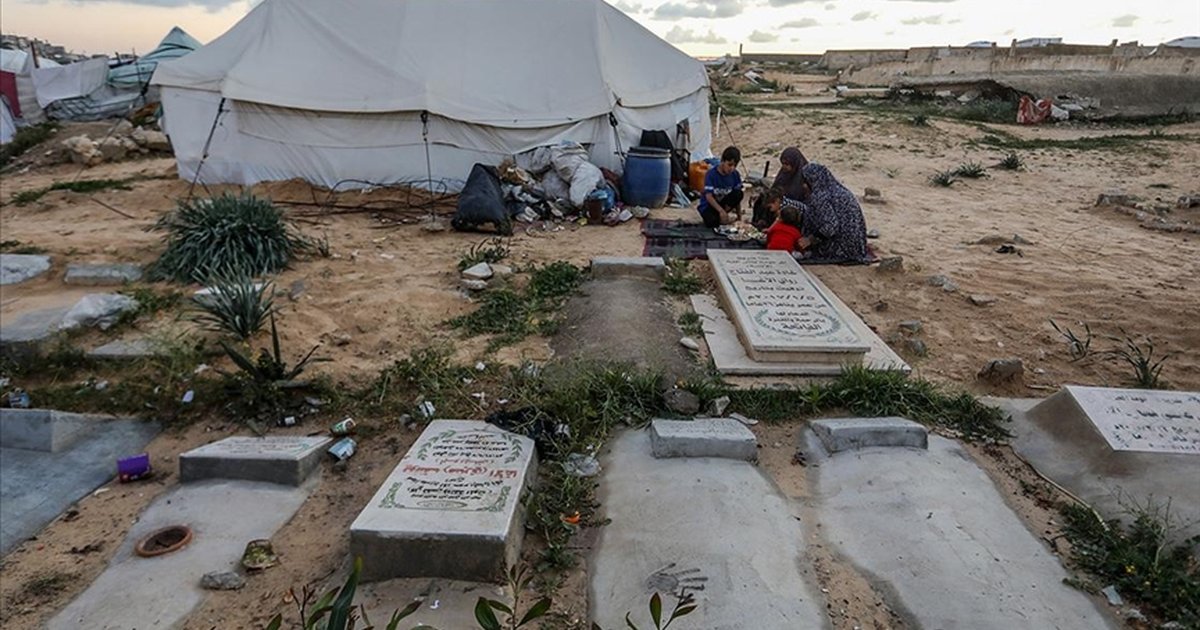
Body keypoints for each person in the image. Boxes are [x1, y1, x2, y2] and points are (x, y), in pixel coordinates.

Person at [795, 162, 869, 263]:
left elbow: (830, 227)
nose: (803, 186)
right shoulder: (838, 189)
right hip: (858, 245)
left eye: (805, 182)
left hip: (841, 248)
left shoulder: (820, 197)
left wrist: (809, 240)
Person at [698, 146, 743, 228]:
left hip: (723, 204)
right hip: (709, 205)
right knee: (712, 223)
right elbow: (709, 197)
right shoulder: (711, 174)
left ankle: (723, 217)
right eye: (729, 165)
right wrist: (721, 211)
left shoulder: (735, 174)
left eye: (734, 166)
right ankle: (721, 217)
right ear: (722, 161)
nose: (731, 168)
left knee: (739, 193)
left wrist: (739, 217)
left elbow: (737, 196)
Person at [763, 189, 806, 253]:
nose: (769, 210)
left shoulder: (786, 207)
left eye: (770, 206)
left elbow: (777, 220)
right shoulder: (782, 205)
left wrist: (770, 230)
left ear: (777, 201)